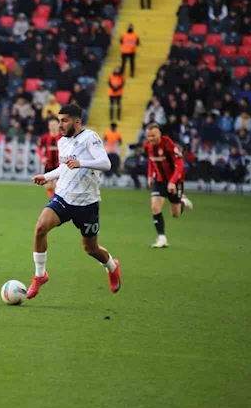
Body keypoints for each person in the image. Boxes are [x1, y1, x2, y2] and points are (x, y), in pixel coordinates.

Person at [28, 104, 122, 299]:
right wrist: (47, 176)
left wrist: (81, 163)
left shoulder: (90, 138)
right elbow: (65, 167)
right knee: (40, 228)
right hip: (63, 197)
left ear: (77, 121)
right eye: (59, 121)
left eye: (64, 121)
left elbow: (106, 163)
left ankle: (112, 266)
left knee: (91, 249)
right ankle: (40, 275)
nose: (60, 125)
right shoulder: (62, 142)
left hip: (87, 203)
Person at [143, 123, 194, 248]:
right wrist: (150, 175)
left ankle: (182, 201)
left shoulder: (168, 144)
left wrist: (172, 182)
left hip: (175, 181)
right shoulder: (147, 146)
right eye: (148, 136)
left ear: (160, 134)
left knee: (175, 214)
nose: (151, 138)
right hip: (160, 180)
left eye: (153, 136)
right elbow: (151, 160)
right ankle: (162, 238)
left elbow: (180, 165)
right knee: (155, 207)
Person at [37, 117, 61, 199]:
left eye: (54, 125)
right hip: (48, 165)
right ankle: (53, 199)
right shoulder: (45, 137)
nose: (53, 127)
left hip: (59, 165)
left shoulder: (62, 137)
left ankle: (55, 201)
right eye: (51, 125)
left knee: (56, 185)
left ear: (58, 125)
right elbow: (39, 148)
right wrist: (42, 158)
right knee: (48, 186)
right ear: (48, 126)